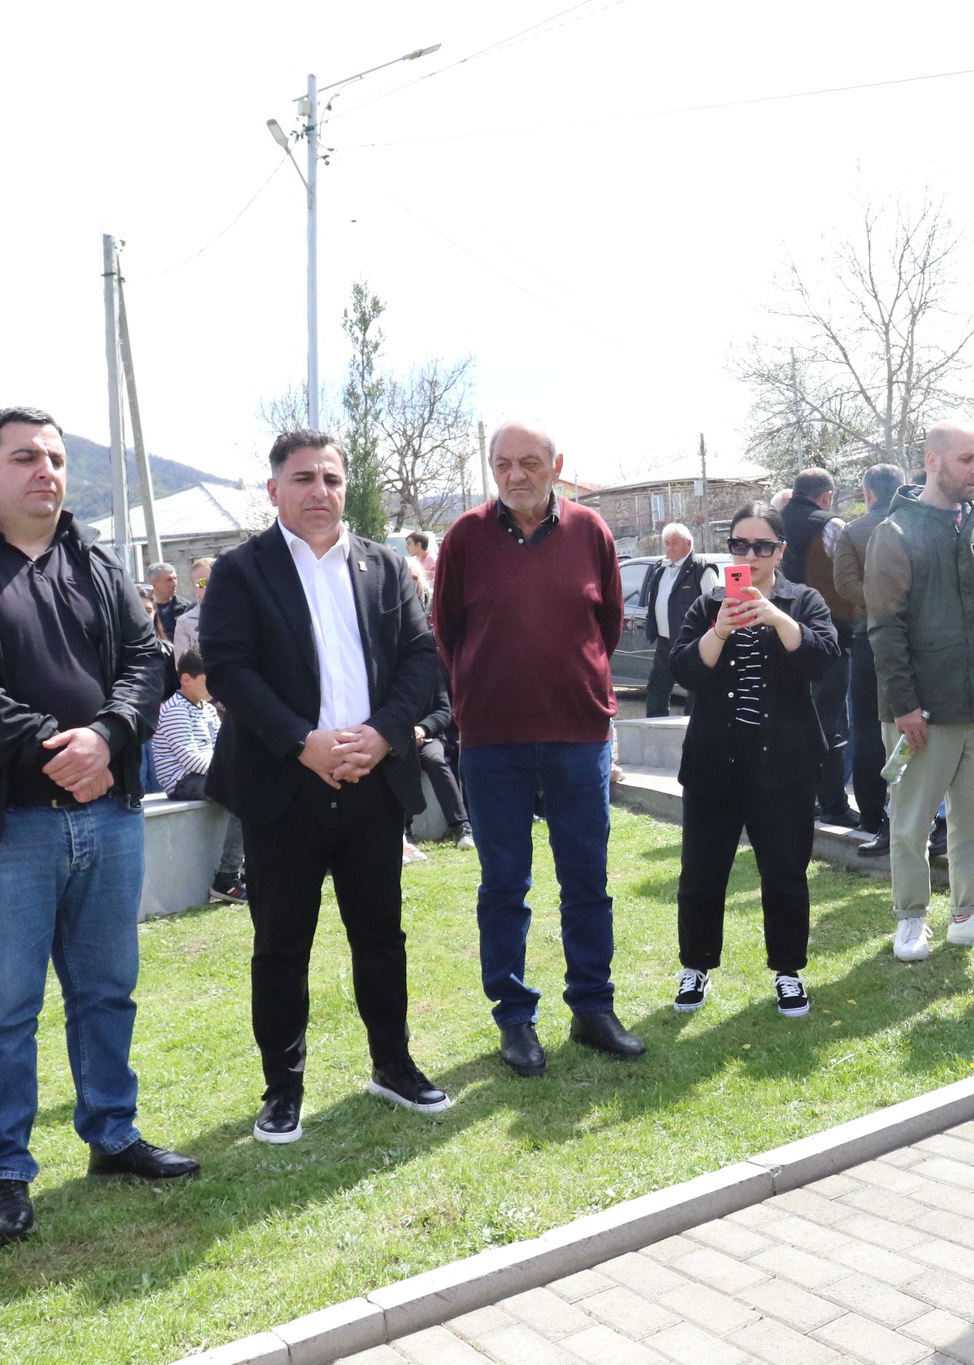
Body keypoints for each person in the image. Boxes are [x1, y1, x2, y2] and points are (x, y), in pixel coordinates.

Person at [0, 406, 196, 1246]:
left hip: (108, 816)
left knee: (106, 991)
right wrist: (53, 747)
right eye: (25, 457)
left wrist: (111, 733)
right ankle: (6, 1170)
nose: (46, 472)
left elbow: (147, 661)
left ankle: (112, 1133)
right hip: (5, 833)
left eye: (56, 458)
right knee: (3, 1009)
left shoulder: (92, 559)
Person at [202, 429, 450, 1143]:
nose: (320, 491)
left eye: (332, 479)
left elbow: (420, 657)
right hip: (284, 787)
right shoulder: (241, 571)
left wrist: (383, 734)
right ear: (274, 489)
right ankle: (282, 1088)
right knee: (281, 945)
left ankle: (393, 1065)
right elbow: (229, 669)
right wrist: (300, 742)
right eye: (304, 478)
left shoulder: (383, 566)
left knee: (381, 936)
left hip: (373, 782)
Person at [434, 419, 643, 1078]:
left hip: (578, 735)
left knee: (587, 881)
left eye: (529, 462)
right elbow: (446, 632)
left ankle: (593, 1008)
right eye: (503, 463)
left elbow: (606, 624)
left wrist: (571, 680)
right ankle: (514, 1018)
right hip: (492, 741)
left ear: (556, 465)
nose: (515, 474)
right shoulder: (464, 538)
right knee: (504, 885)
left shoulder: (591, 532)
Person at [865, 420, 974, 960]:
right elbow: (884, 629)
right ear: (933, 461)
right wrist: (904, 706)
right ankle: (911, 918)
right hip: (923, 712)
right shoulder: (894, 533)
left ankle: (968, 916)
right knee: (912, 823)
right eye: (966, 459)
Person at [668, 503, 840, 1017]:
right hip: (713, 763)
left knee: (785, 872)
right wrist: (719, 630)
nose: (750, 555)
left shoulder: (802, 600)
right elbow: (684, 671)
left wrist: (778, 617)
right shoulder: (708, 604)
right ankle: (696, 967)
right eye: (739, 545)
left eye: (762, 546)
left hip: (784, 765)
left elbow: (824, 660)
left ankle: (788, 971)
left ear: (780, 551)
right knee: (701, 874)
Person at [833, 463, 908, 854]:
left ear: (867, 493)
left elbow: (844, 584)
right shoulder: (918, 522)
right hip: (917, 637)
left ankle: (873, 815)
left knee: (866, 728)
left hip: (869, 636)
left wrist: (880, 603)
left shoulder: (853, 531)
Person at [780, 467, 857, 826]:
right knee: (831, 724)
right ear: (826, 496)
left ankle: (797, 799)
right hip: (826, 638)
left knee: (789, 721)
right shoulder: (831, 525)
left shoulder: (771, 524)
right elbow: (850, 576)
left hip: (779, 637)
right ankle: (832, 805)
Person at [152, 648, 246, 904]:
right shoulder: (175, 710)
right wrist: (230, 770)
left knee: (254, 786)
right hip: (182, 781)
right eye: (208, 680)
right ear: (186, 679)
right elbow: (190, 759)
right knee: (244, 794)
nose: (214, 686)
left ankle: (247, 869)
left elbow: (220, 749)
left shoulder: (207, 709)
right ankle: (226, 878)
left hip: (206, 774)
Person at [640, 522, 720, 719]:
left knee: (694, 689)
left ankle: (692, 727)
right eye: (667, 543)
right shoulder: (661, 569)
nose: (670, 548)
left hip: (693, 642)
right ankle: (655, 728)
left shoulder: (702, 569)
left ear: (688, 543)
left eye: (674, 543)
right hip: (665, 642)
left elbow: (715, 606)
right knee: (657, 687)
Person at [413, 675, 474, 852]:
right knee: (402, 765)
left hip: (430, 738)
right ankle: (405, 832)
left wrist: (423, 729)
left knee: (435, 760)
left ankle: (462, 826)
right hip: (395, 740)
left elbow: (443, 710)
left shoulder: (433, 672)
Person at [170, 556, 213, 659]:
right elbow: (181, 664)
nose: (210, 586)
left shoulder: (244, 612)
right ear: (194, 588)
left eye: (215, 579)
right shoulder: (184, 622)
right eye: (203, 582)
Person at [147, 561, 191, 642]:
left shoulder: (186, 608)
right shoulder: (144, 609)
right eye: (169, 580)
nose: (174, 584)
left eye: (175, 578)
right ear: (154, 584)